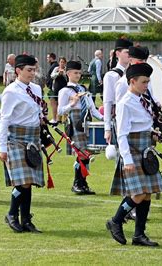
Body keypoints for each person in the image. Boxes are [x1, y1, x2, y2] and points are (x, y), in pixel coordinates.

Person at [106, 63, 162, 247]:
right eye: (144, 82)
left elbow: (143, 123)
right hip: (132, 150)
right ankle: (116, 221)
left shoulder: (143, 100)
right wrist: (127, 159)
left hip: (145, 148)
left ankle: (139, 235)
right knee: (138, 194)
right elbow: (122, 134)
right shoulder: (125, 103)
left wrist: (152, 132)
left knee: (147, 194)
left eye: (148, 81)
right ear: (132, 81)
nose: (146, 85)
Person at [0, 54, 44, 233]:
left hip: (33, 138)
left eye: (34, 70)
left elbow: (37, 113)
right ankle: (11, 214)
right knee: (23, 181)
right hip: (16, 138)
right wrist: (2, 148)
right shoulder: (10, 91)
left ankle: (25, 219)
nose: (32, 73)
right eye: (29, 70)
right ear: (18, 70)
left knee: (29, 181)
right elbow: (4, 120)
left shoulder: (36, 89)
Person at [58, 61, 103, 195]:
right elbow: (60, 111)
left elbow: (92, 109)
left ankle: (83, 183)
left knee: (86, 154)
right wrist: (72, 104)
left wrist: (104, 119)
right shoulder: (65, 91)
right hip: (74, 122)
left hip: (86, 121)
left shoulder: (83, 89)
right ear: (68, 73)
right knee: (81, 154)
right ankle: (77, 183)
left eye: (79, 72)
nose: (78, 75)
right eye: (75, 72)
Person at [103, 38, 133, 145]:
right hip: (120, 119)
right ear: (117, 53)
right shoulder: (111, 75)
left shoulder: (136, 73)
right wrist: (107, 128)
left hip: (135, 118)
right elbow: (107, 102)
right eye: (127, 52)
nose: (130, 55)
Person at [49, 57, 68, 123]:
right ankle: (58, 119)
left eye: (63, 62)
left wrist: (63, 74)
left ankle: (65, 120)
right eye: (61, 62)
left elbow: (68, 78)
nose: (62, 63)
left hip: (64, 89)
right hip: (57, 88)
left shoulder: (67, 69)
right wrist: (58, 73)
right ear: (59, 62)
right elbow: (52, 76)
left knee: (65, 103)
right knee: (58, 104)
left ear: (65, 63)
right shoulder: (56, 68)